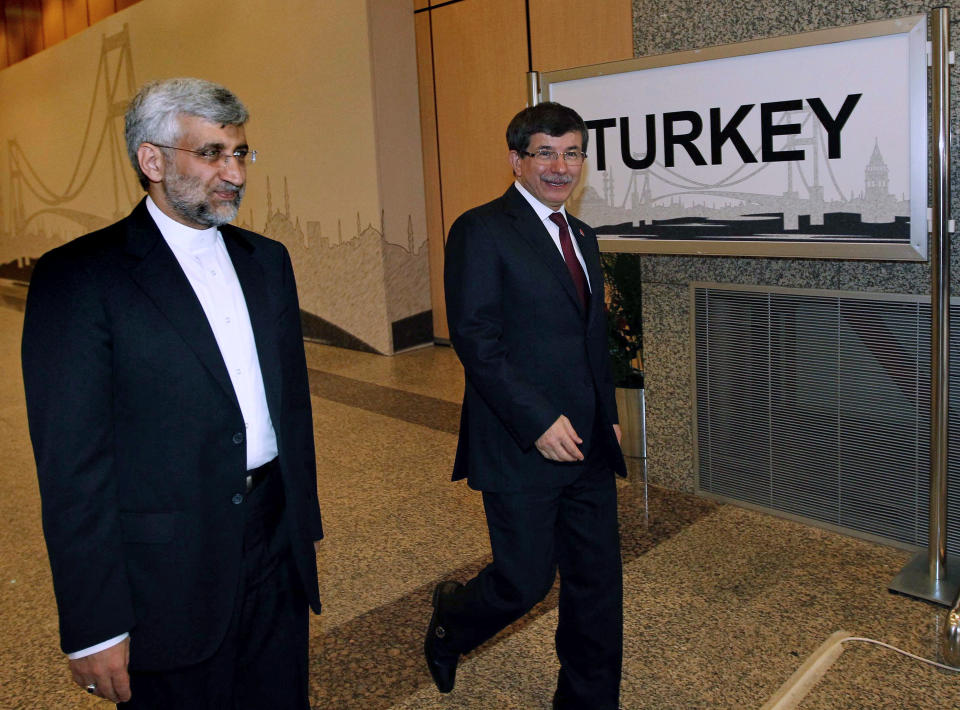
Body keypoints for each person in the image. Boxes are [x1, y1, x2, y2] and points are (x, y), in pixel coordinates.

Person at [21, 77, 323, 709]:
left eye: (240, 152)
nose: (234, 172)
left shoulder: (268, 261)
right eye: (211, 153)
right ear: (152, 161)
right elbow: (72, 468)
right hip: (166, 573)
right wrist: (95, 623)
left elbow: (289, 409)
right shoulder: (78, 280)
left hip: (274, 547)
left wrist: (301, 531)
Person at [424, 101, 627, 709]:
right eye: (545, 153)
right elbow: (475, 338)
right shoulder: (481, 229)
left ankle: (589, 702)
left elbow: (593, 336)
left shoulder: (583, 234)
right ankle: (451, 624)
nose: (560, 168)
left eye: (572, 153)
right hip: (520, 438)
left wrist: (607, 410)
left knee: (596, 584)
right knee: (524, 581)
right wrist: (537, 420)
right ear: (516, 160)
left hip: (588, 440)